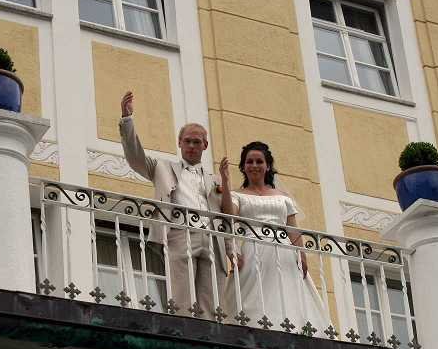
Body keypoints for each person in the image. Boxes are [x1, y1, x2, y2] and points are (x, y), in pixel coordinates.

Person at [119, 91, 229, 316]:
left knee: (211, 301)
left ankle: (209, 338)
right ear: (179, 143)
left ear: (205, 145)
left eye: (196, 142)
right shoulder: (162, 168)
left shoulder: (215, 180)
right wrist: (127, 120)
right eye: (187, 141)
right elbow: (135, 157)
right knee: (182, 298)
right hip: (180, 233)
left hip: (211, 237)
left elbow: (227, 217)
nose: (191, 145)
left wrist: (232, 249)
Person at [218, 141, 329, 333]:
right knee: (255, 295)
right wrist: (226, 183)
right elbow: (230, 215)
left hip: (284, 251)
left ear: (267, 166)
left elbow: (293, 229)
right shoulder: (238, 195)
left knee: (286, 293)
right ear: (243, 167)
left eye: (259, 161)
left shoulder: (282, 196)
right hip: (254, 250)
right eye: (249, 161)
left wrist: (301, 254)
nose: (254, 165)